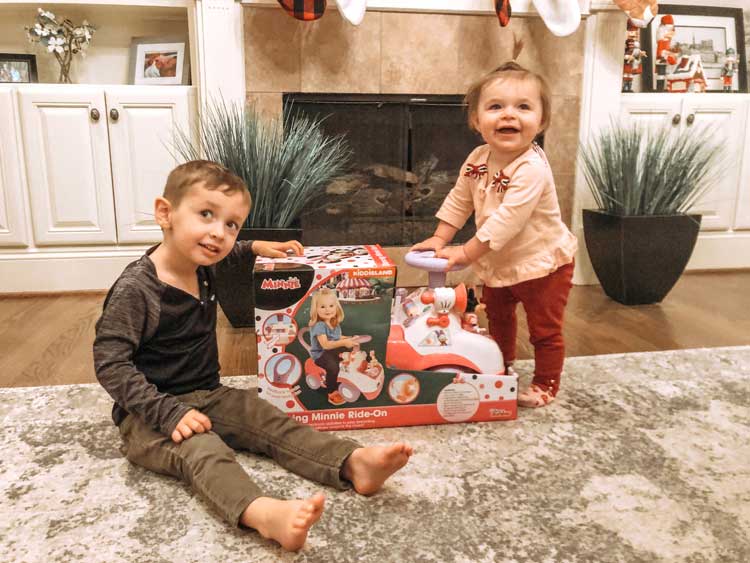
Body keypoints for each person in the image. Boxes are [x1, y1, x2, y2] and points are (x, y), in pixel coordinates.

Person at [93, 160, 413, 551]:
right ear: (166, 213)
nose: (218, 233)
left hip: (206, 393)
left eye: (231, 225)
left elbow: (231, 252)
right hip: (148, 415)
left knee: (266, 416)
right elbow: (110, 363)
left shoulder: (201, 263)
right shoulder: (138, 290)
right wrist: (167, 413)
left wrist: (256, 246)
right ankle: (264, 513)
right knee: (202, 449)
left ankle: (352, 463)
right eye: (206, 214)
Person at [411, 62, 577, 408]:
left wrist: (465, 253)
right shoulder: (478, 158)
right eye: (496, 106)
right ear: (476, 120)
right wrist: (441, 238)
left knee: (544, 329)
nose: (509, 116)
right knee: (498, 320)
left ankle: (547, 382)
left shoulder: (531, 168)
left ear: (542, 121)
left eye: (523, 107)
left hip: (543, 265)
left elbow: (507, 219)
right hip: (500, 261)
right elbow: (460, 198)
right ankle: (498, 368)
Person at [308, 288, 360, 405]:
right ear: (316, 309)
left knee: (347, 356)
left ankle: (347, 375)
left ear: (336, 307)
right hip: (320, 354)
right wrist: (344, 343)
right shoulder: (319, 325)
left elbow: (337, 337)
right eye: (322, 307)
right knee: (333, 367)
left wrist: (349, 338)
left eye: (331, 305)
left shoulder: (334, 322)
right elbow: (325, 345)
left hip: (331, 350)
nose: (328, 309)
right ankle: (331, 390)